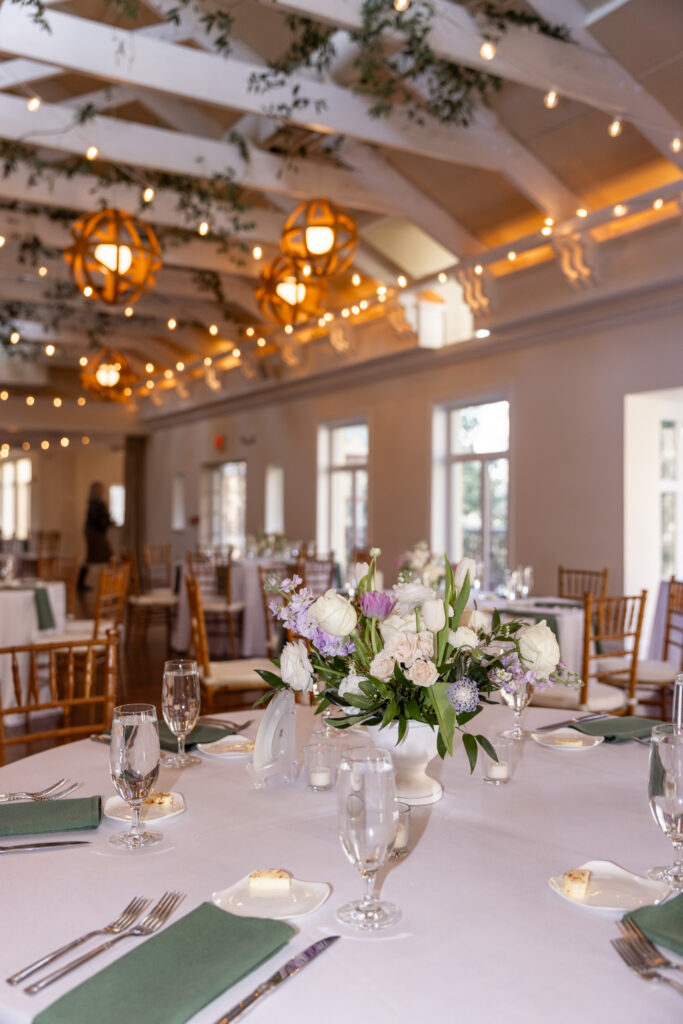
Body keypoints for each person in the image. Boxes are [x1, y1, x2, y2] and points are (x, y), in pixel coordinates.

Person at [77, 482, 114, 590]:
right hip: (94, 533)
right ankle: (81, 582)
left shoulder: (98, 503)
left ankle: (110, 583)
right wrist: (107, 522)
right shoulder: (94, 503)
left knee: (106, 556)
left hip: (97, 532)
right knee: (93, 557)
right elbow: (99, 519)